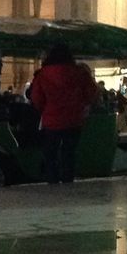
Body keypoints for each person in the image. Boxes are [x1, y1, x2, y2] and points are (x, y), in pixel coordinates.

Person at [29, 42, 99, 184]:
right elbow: (92, 93)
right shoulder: (80, 73)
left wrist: (45, 109)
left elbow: (36, 97)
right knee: (69, 152)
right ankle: (68, 180)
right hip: (74, 120)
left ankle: (53, 181)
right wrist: (81, 105)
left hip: (51, 120)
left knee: (51, 154)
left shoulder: (43, 74)